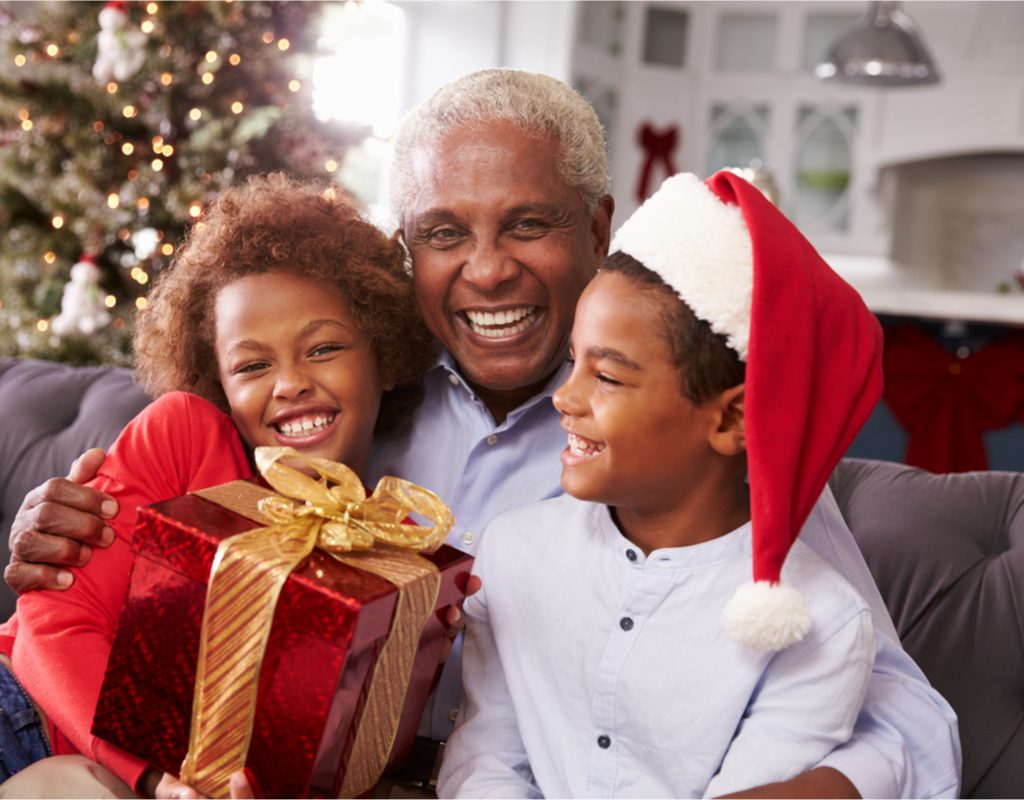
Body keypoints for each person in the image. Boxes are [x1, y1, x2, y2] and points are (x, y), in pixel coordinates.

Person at [6, 69, 960, 798]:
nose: (488, 271)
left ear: (598, 227)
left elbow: (904, 714)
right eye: (445, 233)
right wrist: (69, 531)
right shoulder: (348, 399)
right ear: (405, 249)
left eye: (528, 224)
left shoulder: (681, 446)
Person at [439, 170, 882, 797]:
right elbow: (484, 763)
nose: (565, 398)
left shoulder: (822, 624)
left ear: (730, 417)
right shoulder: (512, 551)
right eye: (575, 361)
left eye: (609, 378)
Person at [0, 174, 438, 798]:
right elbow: (50, 629)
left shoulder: (380, 544)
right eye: (253, 365)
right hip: (22, 713)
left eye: (323, 349)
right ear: (218, 381)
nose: (288, 383)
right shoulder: (185, 437)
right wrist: (156, 776)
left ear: (385, 355)